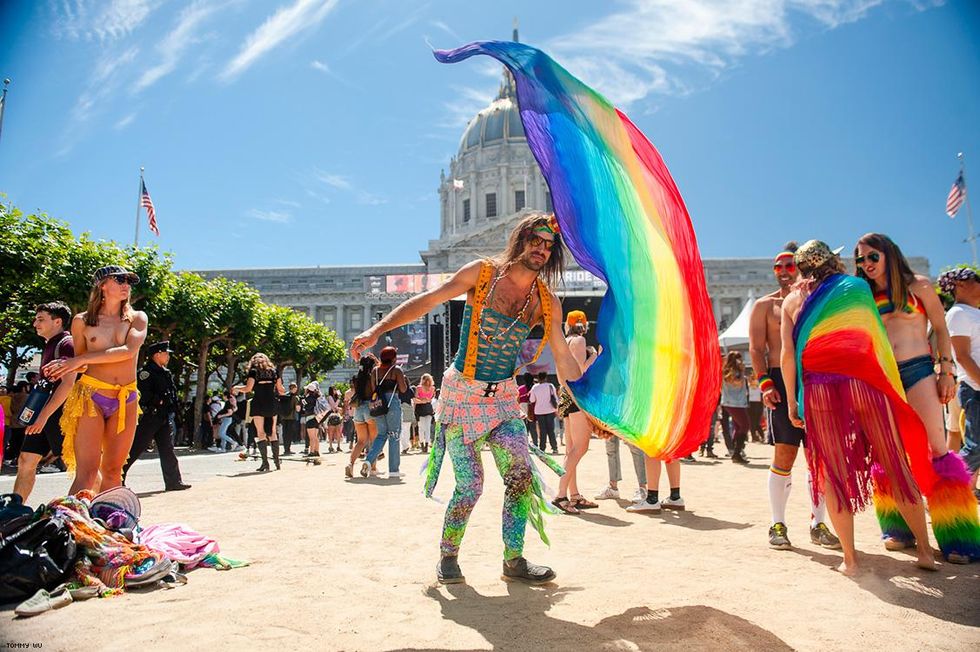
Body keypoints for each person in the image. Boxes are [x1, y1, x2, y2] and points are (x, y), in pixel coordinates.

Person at [350, 212, 583, 585]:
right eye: (535, 240)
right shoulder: (483, 273)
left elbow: (562, 356)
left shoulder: (546, 301)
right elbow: (429, 300)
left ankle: (514, 559)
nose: (541, 249)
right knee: (470, 485)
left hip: (504, 400)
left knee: (521, 475)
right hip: (461, 397)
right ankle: (448, 555)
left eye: (549, 245)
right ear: (520, 240)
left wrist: (594, 396)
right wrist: (377, 330)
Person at [780, 240, 935, 576]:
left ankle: (850, 559)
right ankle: (924, 551)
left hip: (819, 386)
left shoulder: (792, 300)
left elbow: (787, 355)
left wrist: (792, 400)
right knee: (894, 461)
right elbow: (874, 339)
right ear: (833, 262)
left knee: (833, 473)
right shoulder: (855, 287)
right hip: (863, 381)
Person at [857, 236, 980, 563]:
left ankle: (958, 537)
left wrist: (946, 371)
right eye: (860, 260)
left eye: (872, 255)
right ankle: (898, 528)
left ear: (888, 254)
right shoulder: (864, 295)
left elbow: (940, 329)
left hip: (920, 370)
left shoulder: (920, 286)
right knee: (890, 451)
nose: (866, 263)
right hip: (885, 377)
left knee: (938, 449)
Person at [749, 245, 840, 551]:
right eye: (778, 266)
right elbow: (755, 349)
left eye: (790, 265)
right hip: (779, 380)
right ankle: (778, 523)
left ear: (800, 267)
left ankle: (818, 523)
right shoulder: (764, 306)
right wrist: (765, 383)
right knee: (784, 455)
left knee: (820, 458)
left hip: (817, 379)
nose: (785, 270)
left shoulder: (818, 299)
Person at [45, 265, 148, 495]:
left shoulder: (137, 318)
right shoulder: (81, 321)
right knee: (87, 473)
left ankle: (110, 524)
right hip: (91, 395)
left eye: (128, 281)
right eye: (120, 279)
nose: (126, 285)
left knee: (113, 471)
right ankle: (69, 523)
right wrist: (66, 366)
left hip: (126, 398)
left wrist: (74, 361)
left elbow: (128, 351)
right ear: (102, 285)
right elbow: (83, 363)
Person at [14, 302, 76, 502]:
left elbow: (67, 384)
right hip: (44, 413)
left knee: (77, 464)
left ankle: (108, 504)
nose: (35, 323)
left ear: (57, 321)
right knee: (26, 460)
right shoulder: (51, 344)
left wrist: (43, 416)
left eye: (41, 319)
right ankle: (15, 510)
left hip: (59, 413)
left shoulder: (66, 343)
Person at [122, 341, 191, 491]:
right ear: (157, 354)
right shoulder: (146, 373)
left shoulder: (165, 372)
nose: (168, 356)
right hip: (150, 417)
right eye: (165, 353)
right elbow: (143, 394)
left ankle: (173, 482)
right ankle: (117, 478)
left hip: (164, 416)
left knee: (167, 449)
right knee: (135, 448)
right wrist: (158, 401)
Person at [553, 311, 598, 514]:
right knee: (580, 447)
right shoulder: (579, 341)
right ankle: (561, 494)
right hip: (577, 395)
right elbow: (579, 371)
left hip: (566, 393)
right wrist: (594, 357)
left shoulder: (565, 341)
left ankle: (574, 494)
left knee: (571, 448)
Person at [233, 353, 285, 472]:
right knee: (272, 432)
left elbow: (248, 389)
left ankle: (265, 463)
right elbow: (281, 389)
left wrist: (236, 388)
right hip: (272, 403)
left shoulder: (253, 372)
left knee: (261, 433)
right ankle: (277, 462)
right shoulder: (274, 372)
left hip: (258, 403)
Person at [363, 346, 410, 478]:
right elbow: (403, 389)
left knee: (381, 435)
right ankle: (394, 470)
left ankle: (368, 460)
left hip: (378, 404)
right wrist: (403, 379)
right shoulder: (396, 370)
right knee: (394, 435)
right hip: (392, 403)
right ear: (393, 357)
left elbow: (374, 389)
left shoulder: (375, 371)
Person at [346, 356, 380, 477]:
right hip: (370, 408)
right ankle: (372, 467)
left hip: (358, 409)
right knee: (374, 441)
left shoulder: (356, 378)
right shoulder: (373, 377)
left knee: (360, 441)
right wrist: (377, 362)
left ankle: (350, 464)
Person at [721, 352, 750, 464]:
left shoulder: (733, 371)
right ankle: (736, 452)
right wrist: (742, 373)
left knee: (739, 427)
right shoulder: (731, 372)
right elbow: (736, 382)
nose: (741, 361)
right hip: (732, 403)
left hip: (738, 403)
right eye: (739, 359)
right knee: (745, 425)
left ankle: (736, 452)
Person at [529, 372, 559, 455]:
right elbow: (556, 399)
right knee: (551, 430)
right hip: (550, 410)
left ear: (538, 378)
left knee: (542, 431)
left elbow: (532, 400)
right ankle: (554, 448)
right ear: (546, 378)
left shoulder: (535, 387)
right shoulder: (550, 386)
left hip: (539, 411)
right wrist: (556, 409)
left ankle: (542, 449)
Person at [414, 373, 436, 454]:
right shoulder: (432, 388)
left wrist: (421, 399)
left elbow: (416, 398)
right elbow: (430, 399)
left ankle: (423, 444)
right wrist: (425, 400)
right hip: (427, 408)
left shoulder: (419, 388)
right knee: (426, 428)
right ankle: (425, 444)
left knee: (422, 428)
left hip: (421, 408)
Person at [280, 382, 301, 455]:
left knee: (284, 433)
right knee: (289, 434)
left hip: (283, 417)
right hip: (291, 417)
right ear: (294, 388)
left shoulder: (284, 395)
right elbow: (298, 409)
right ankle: (288, 449)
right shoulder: (295, 397)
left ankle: (285, 449)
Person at [325, 385, 343, 453]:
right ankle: (330, 446)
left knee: (338, 432)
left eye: (336, 389)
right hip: (331, 415)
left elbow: (336, 407)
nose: (335, 391)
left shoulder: (335, 398)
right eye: (334, 389)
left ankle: (338, 446)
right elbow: (334, 406)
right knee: (331, 432)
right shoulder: (329, 397)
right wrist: (338, 399)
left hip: (337, 415)